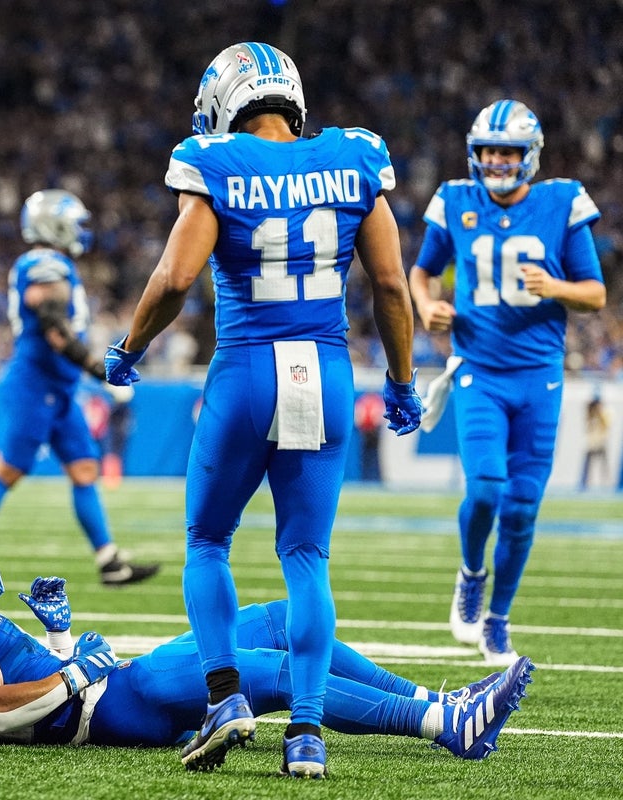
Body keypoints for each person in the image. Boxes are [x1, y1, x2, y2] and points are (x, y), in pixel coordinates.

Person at [101, 42, 422, 776]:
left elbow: (177, 276)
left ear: (225, 101)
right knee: (306, 557)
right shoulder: (353, 155)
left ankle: (224, 697)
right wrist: (401, 384)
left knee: (207, 540)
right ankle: (306, 734)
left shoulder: (212, 159)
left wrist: (129, 347)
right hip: (326, 371)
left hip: (247, 370)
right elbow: (393, 287)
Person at [0, 521, 534, 768]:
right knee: (265, 668)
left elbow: (12, 696)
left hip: (110, 693)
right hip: (114, 703)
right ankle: (445, 723)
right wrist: (77, 673)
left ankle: (438, 701)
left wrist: (60, 637)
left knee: (275, 620)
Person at [409, 99, 605, 666]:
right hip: (479, 371)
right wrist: (427, 306)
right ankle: (471, 573)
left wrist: (556, 287)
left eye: (507, 152)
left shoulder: (560, 201)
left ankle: (498, 618)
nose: (496, 162)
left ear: (530, 156)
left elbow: (594, 293)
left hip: (540, 377)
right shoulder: (457, 200)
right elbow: (421, 272)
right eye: (489, 151)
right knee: (487, 490)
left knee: (522, 508)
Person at [0, 189, 157, 586]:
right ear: (54, 224)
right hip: (35, 385)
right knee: (9, 469)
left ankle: (109, 561)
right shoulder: (42, 262)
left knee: (85, 469)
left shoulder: (56, 263)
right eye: (75, 223)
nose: (82, 231)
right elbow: (53, 322)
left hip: (60, 389)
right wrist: (100, 369)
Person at [580, 396, 609, 490]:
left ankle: (605, 483)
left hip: (601, 442)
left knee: (603, 465)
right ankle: (585, 483)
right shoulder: (591, 415)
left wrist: (600, 412)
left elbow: (606, 424)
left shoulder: (605, 413)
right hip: (591, 443)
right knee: (588, 465)